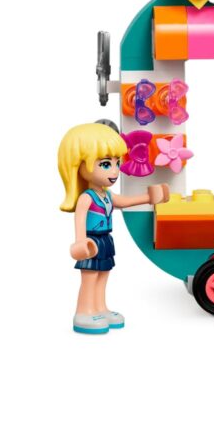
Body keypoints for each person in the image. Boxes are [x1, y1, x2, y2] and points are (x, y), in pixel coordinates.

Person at [58, 123, 169, 334]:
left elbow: (125, 201)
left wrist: (149, 197)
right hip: (91, 242)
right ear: (80, 165)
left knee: (103, 275)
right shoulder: (86, 198)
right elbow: (79, 220)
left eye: (117, 163)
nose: (115, 171)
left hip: (105, 241)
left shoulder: (107, 195)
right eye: (106, 164)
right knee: (90, 277)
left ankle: (100, 308)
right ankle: (83, 312)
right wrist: (81, 242)